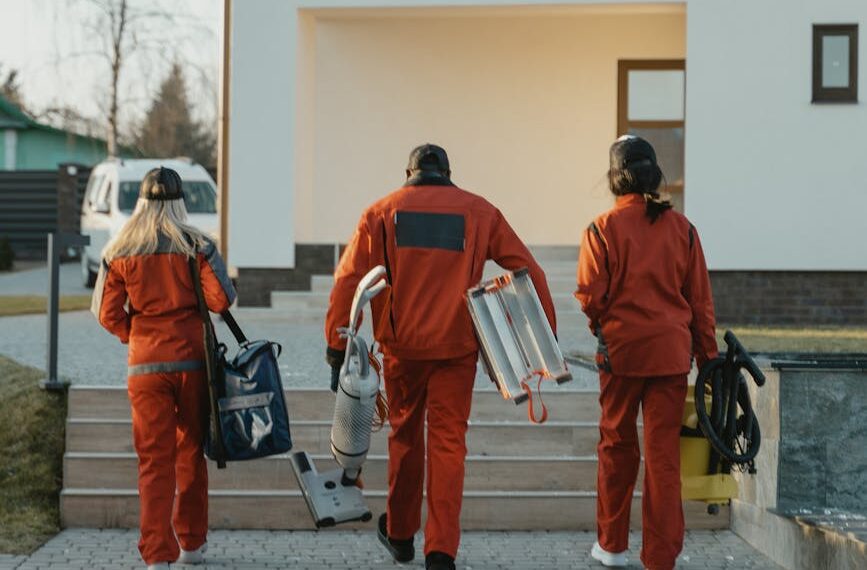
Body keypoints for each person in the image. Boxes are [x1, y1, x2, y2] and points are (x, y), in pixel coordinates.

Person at [325, 144, 557, 570]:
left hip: (402, 350)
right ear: (448, 172)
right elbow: (529, 271)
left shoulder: (380, 212)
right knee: (449, 444)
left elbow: (348, 280)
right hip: (456, 350)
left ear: (408, 172)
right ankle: (441, 551)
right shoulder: (479, 211)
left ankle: (399, 534)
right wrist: (547, 342)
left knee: (405, 438)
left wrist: (335, 345)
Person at [576, 136, 717, 570]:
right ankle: (660, 558)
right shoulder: (684, 230)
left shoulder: (600, 229)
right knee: (662, 460)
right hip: (671, 359)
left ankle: (612, 547)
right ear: (653, 176)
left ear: (615, 179)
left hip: (621, 357)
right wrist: (708, 358)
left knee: (617, 449)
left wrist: (601, 325)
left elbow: (589, 296)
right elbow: (700, 303)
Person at [92, 167, 236, 570]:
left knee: (154, 461)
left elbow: (106, 314)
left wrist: (134, 335)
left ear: (140, 201)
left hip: (145, 366)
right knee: (191, 452)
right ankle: (191, 544)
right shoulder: (198, 244)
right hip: (192, 361)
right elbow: (222, 300)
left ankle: (157, 555)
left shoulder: (118, 249)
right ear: (179, 201)